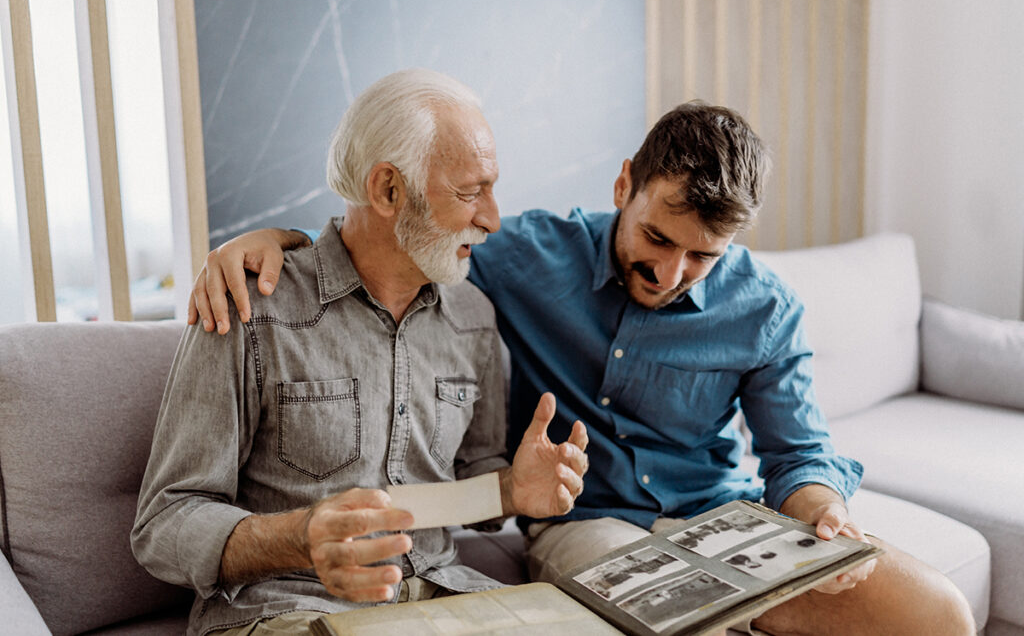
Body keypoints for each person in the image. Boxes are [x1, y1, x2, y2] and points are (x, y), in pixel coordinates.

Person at [189, 99, 975, 635]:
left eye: (704, 256)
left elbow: (798, 455)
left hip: (723, 519)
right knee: (687, 618)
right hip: (590, 526)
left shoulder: (765, 307)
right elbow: (397, 240)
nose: (671, 274)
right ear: (625, 182)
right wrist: (275, 241)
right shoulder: (527, 255)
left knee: (939, 612)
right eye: (658, 240)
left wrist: (818, 513)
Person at [132, 69, 588, 636]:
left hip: (442, 594)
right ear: (388, 190)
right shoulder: (249, 307)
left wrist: (513, 491)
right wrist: (300, 536)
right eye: (470, 193)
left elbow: (464, 488)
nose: (493, 218)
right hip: (288, 606)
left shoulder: (473, 317)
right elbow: (164, 523)